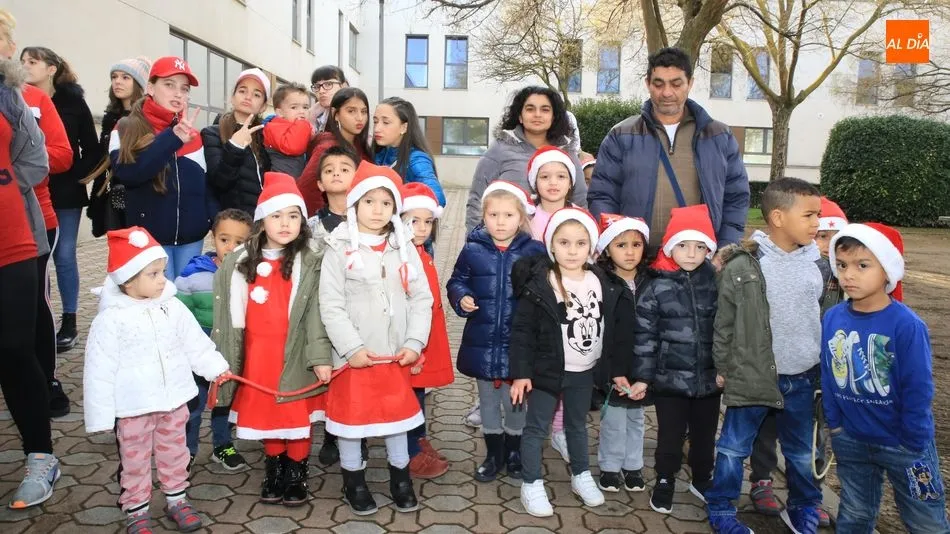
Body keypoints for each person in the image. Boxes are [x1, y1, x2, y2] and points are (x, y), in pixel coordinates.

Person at [83, 227, 230, 533]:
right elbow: (98, 370)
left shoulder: (172, 307)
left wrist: (215, 367)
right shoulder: (110, 320)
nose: (163, 279)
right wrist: (100, 416)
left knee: (175, 453)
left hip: (174, 401)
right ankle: (136, 510)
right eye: (153, 274)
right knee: (134, 462)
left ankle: (177, 500)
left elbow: (195, 343)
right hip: (133, 408)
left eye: (162, 271)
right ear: (128, 279)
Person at [706, 178, 826, 534]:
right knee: (732, 448)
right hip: (753, 373)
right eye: (809, 215)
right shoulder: (743, 265)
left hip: (802, 377)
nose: (816, 222)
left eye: (817, 214)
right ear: (777, 216)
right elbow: (724, 321)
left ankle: (804, 506)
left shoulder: (819, 265)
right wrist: (724, 366)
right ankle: (722, 507)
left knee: (802, 453)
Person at [319, 162, 433, 515]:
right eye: (369, 201)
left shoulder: (404, 246)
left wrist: (414, 342)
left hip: (395, 356)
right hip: (355, 357)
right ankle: (354, 483)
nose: (378, 209)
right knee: (352, 425)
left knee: (397, 422)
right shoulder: (337, 248)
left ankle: (401, 480)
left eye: (386, 202)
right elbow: (331, 304)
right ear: (354, 204)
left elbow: (422, 298)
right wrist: (350, 347)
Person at [212, 172, 331, 506]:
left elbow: (319, 314)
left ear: (302, 222)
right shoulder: (240, 262)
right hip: (258, 356)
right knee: (268, 416)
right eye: (277, 215)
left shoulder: (312, 261)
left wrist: (320, 356)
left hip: (297, 354)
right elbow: (229, 317)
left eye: (293, 216)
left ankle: (296, 473)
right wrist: (225, 360)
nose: (285, 223)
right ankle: (274, 468)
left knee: (296, 416)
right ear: (262, 221)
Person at [823, 223, 950, 533]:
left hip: (904, 445)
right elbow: (828, 372)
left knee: (925, 519)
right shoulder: (833, 317)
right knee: (854, 513)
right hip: (852, 440)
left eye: (862, 265)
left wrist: (913, 439)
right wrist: (835, 423)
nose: (848, 274)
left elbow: (918, 388)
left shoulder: (906, 325)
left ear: (887, 271)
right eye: (841, 265)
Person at [510, 207, 627, 516]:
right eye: (564, 243)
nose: (572, 250)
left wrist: (616, 371)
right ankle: (531, 483)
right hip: (546, 371)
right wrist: (521, 373)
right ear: (551, 245)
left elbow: (614, 332)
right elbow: (521, 331)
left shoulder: (603, 283)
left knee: (577, 425)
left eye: (580, 243)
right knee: (536, 428)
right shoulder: (540, 284)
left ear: (592, 247)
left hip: (584, 372)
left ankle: (580, 474)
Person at [587, 47, 749, 259]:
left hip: (698, 261)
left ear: (690, 83)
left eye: (676, 83)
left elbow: (735, 197)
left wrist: (725, 248)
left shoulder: (718, 136)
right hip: (637, 262)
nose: (667, 93)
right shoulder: (622, 135)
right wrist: (614, 245)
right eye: (658, 83)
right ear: (648, 84)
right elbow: (603, 195)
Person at [747, 194, 847, 527]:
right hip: (782, 364)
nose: (828, 245)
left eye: (836, 238)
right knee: (766, 427)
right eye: (822, 236)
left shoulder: (847, 280)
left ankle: (807, 495)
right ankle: (761, 479)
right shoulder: (790, 266)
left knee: (812, 437)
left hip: (822, 370)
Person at [447, 181, 546, 482]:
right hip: (483, 340)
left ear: (522, 218)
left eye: (508, 215)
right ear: (484, 217)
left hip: (518, 344)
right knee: (489, 401)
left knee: (515, 402)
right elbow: (456, 280)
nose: (500, 222)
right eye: (493, 215)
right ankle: (493, 454)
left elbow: (545, 292)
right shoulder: (473, 248)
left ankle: (514, 452)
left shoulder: (534, 251)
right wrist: (461, 297)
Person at [0, 27, 60, 509]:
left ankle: (41, 456)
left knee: (15, 349)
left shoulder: (10, 93)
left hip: (12, 237)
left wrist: (3, 184)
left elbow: (36, 160)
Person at [633, 204, 720, 514]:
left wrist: (724, 370)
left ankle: (702, 479)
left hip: (709, 380)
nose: (691, 253)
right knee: (670, 436)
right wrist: (643, 377)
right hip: (669, 380)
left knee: (705, 436)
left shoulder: (716, 282)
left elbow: (727, 330)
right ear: (671, 246)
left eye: (700, 247)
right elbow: (645, 336)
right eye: (683, 245)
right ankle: (665, 479)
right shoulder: (656, 285)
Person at [21, 46, 102, 354]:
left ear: (51, 68)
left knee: (64, 255)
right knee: (32, 259)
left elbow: (91, 148)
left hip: (64, 192)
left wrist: (74, 174)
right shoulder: (16, 99)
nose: (26, 66)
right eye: (23, 62)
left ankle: (69, 321)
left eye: (33, 61)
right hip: (27, 192)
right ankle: (37, 319)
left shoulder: (72, 102)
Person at [11, 40, 75, 420]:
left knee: (35, 301)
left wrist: (16, 160)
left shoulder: (33, 98)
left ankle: (47, 378)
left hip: (33, 219)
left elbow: (63, 154)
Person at [108, 56, 211, 280]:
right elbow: (128, 174)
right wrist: (171, 139)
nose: (178, 93)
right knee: (157, 303)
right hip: (150, 239)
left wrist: (207, 220)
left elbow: (204, 185)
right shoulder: (125, 127)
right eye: (169, 85)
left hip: (192, 240)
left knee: (183, 303)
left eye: (184, 89)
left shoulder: (193, 134)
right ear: (150, 88)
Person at [175, 208, 252, 471]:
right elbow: (178, 314)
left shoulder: (250, 274)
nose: (231, 247)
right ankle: (188, 449)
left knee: (225, 402)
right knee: (194, 403)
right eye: (224, 239)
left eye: (239, 242)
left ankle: (223, 445)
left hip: (231, 350)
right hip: (198, 351)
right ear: (213, 238)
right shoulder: (193, 274)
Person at [465, 86, 587, 232]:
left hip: (558, 245)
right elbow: (477, 199)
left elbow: (580, 201)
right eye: (530, 109)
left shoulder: (567, 152)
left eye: (545, 109)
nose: (537, 114)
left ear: (554, 117)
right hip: (507, 246)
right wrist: (474, 241)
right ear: (520, 116)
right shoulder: (500, 149)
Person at [524, 145, 577, 462]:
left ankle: (560, 431)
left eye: (560, 176)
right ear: (535, 181)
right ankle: (533, 426)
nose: (553, 182)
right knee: (537, 368)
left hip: (570, 309)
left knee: (566, 371)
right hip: (535, 309)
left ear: (570, 182)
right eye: (545, 176)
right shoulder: (527, 219)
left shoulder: (579, 217)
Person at [400, 183, 454, 479]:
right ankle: (409, 451)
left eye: (428, 221)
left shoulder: (420, 252)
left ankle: (418, 439)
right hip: (409, 342)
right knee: (408, 396)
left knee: (418, 393)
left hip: (425, 338)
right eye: (413, 221)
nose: (422, 228)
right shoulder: (402, 257)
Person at [594, 214, 650, 493]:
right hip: (614, 366)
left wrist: (647, 372)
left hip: (642, 366)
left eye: (636, 245)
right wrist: (612, 370)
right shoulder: (601, 283)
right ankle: (610, 467)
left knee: (636, 419)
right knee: (614, 420)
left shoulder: (652, 282)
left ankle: (633, 466)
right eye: (621, 245)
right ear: (606, 249)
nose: (629, 252)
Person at [85, 56, 150, 237]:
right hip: (110, 193)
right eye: (114, 77)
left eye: (125, 77)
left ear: (139, 84)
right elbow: (102, 157)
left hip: (136, 194)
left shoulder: (146, 117)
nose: (117, 82)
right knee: (117, 248)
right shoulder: (111, 116)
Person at [201, 68, 269, 216]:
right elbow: (219, 182)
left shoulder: (265, 136)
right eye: (242, 91)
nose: (248, 97)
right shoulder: (212, 133)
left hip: (264, 221)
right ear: (232, 97)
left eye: (256, 94)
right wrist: (235, 147)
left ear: (263, 106)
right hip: (233, 224)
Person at [298, 87, 372, 217]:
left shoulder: (362, 147)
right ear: (335, 114)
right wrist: (329, 220)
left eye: (364, 111)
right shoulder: (327, 147)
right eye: (351, 111)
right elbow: (307, 190)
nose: (360, 118)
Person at [373, 97, 446, 207]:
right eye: (375, 121)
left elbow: (438, 198)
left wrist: (398, 205)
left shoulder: (416, 159)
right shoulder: (380, 154)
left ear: (404, 127)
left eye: (386, 122)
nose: (377, 128)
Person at [306, 145, 358, 240]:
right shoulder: (312, 227)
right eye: (329, 171)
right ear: (320, 184)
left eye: (344, 170)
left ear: (357, 179)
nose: (336, 174)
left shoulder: (368, 219)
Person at [263, 82, 312, 178]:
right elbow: (293, 147)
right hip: (281, 182)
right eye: (294, 107)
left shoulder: (296, 127)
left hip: (293, 180)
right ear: (280, 112)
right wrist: (303, 124)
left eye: (305, 107)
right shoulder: (274, 127)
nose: (301, 111)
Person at [309, 65, 348, 133]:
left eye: (328, 84)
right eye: (317, 86)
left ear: (342, 86)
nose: (321, 91)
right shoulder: (316, 115)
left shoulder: (350, 115)